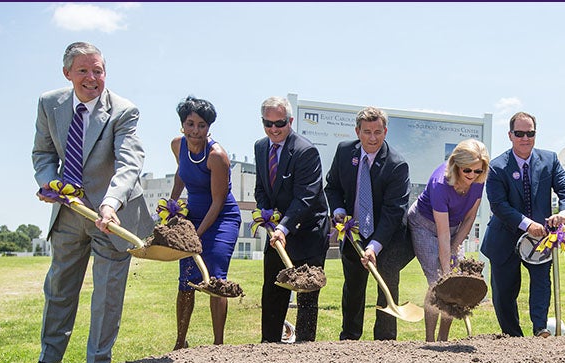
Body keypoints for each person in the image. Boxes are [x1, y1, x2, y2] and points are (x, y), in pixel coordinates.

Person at [28, 42, 154, 363]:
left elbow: (129, 164)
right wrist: (50, 184)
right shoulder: (49, 103)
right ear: (67, 73)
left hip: (111, 215)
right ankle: (48, 362)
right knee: (59, 288)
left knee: (107, 295)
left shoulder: (124, 111)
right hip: (68, 212)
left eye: (97, 70)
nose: (91, 77)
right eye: (83, 70)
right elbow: (42, 154)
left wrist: (110, 203)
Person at [481, 112, 565, 338]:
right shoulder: (496, 167)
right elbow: (498, 205)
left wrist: (563, 214)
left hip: (541, 239)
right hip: (504, 238)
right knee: (504, 292)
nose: (525, 138)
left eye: (530, 133)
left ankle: (540, 329)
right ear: (510, 135)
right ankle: (512, 337)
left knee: (542, 284)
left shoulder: (550, 160)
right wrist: (527, 224)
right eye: (520, 133)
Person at [325, 106, 414, 341]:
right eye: (367, 132)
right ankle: (350, 338)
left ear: (385, 131)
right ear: (357, 131)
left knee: (386, 289)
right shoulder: (344, 152)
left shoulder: (396, 165)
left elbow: (394, 212)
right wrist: (339, 210)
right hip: (353, 232)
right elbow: (332, 186)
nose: (372, 138)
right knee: (353, 288)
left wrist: (374, 246)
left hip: (388, 237)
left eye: (377, 132)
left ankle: (384, 343)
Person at [254, 96, 330, 344]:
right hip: (278, 230)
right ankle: (269, 346)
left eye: (280, 123)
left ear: (291, 120)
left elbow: (306, 197)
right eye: (268, 123)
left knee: (307, 294)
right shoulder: (261, 147)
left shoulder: (305, 151)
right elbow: (262, 189)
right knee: (273, 289)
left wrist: (284, 226)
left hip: (308, 230)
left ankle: (305, 349)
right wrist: (267, 216)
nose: (274, 129)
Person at [169, 96, 242, 349]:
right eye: (190, 124)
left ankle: (218, 345)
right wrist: (172, 204)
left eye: (201, 125)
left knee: (215, 279)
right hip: (194, 216)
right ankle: (180, 342)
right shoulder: (177, 145)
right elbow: (181, 175)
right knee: (186, 279)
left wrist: (194, 236)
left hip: (221, 219)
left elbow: (218, 201)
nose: (195, 130)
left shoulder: (217, 156)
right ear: (182, 124)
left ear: (209, 127)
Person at [408, 139, 489, 341]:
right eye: (467, 170)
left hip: (453, 227)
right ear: (456, 165)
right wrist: (446, 272)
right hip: (424, 225)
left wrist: (455, 247)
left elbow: (469, 218)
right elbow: (442, 234)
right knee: (438, 282)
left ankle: (443, 339)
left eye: (477, 171)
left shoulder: (478, 180)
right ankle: (430, 340)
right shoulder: (440, 184)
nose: (472, 176)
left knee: (456, 283)